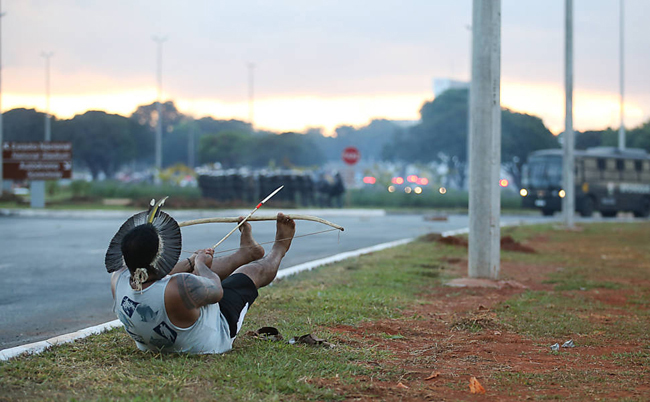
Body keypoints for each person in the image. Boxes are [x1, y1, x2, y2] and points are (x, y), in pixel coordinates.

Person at [109, 212, 296, 354]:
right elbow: (216, 291)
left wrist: (191, 262)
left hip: (160, 339)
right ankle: (279, 247)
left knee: (195, 276)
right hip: (213, 336)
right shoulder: (180, 287)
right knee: (248, 273)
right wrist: (200, 266)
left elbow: (158, 274)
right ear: (159, 257)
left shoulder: (118, 278)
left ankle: (246, 253)